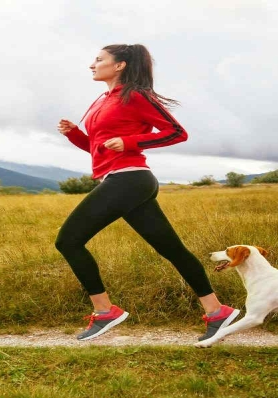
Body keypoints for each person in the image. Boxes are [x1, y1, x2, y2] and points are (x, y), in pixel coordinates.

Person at [55, 44, 238, 342]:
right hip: (118, 180)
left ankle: (105, 312)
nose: (92, 65)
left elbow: (177, 132)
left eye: (99, 60)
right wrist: (75, 133)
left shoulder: (135, 96)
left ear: (119, 66)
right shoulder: (103, 100)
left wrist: (129, 142)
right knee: (172, 250)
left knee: (68, 241)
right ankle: (217, 311)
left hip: (129, 179)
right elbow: (98, 148)